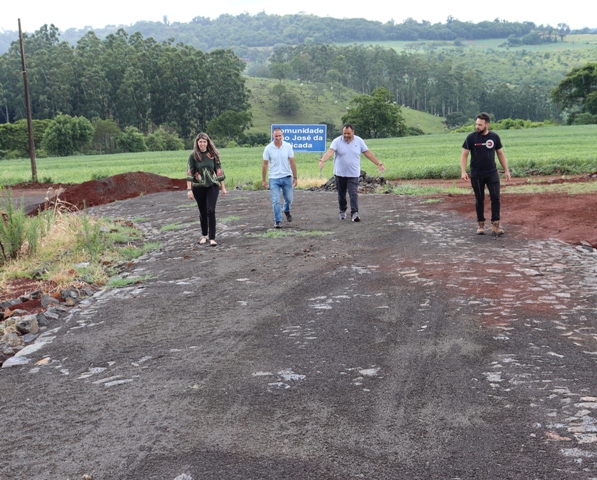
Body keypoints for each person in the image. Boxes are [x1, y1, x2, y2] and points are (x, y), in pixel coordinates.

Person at [318, 123, 385, 222]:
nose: (346, 136)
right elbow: (330, 152)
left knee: (353, 193)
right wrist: (323, 160)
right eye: (344, 133)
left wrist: (378, 163)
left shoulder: (359, 141)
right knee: (341, 194)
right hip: (340, 174)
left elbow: (368, 153)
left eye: (348, 133)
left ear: (353, 132)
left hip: (353, 174)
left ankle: (354, 213)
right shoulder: (336, 141)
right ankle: (342, 210)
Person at [461, 112, 511, 236]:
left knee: (495, 198)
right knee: (479, 199)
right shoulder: (471, 137)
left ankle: (495, 225)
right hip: (476, 173)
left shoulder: (494, 137)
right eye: (476, 124)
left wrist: (506, 170)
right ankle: (481, 225)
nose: (477, 127)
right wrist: (463, 171)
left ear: (487, 125)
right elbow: (464, 155)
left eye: (480, 125)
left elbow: (500, 153)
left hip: (492, 172)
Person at [186, 132, 226, 246]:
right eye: (200, 142)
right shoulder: (193, 156)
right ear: (197, 143)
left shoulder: (213, 155)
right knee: (203, 211)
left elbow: (219, 170)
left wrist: (223, 187)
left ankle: (212, 237)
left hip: (212, 185)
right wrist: (189, 190)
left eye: (204, 142)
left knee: (211, 209)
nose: (202, 144)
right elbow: (190, 172)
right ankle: (204, 235)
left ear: (207, 142)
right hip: (198, 187)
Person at [262, 127, 298, 228]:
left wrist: (295, 177)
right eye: (276, 136)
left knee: (289, 198)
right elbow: (265, 164)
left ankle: (286, 210)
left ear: (282, 136)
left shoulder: (288, 147)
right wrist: (264, 179)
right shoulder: (268, 148)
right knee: (276, 200)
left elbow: (292, 161)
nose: (278, 138)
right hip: (274, 178)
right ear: (273, 136)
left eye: (279, 136)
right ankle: (278, 220)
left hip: (286, 176)